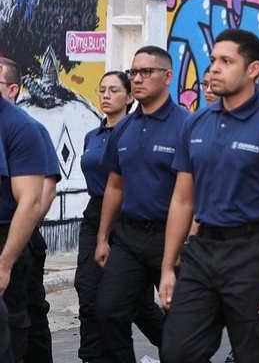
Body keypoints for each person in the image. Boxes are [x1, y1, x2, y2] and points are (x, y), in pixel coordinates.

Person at [159, 29, 259, 362]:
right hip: (202, 251)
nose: (214, 70)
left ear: (253, 70)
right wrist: (168, 268)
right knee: (177, 352)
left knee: (252, 355)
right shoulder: (196, 124)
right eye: (213, 61)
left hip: (253, 254)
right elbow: (182, 200)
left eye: (226, 61)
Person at [94, 46, 189, 361]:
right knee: (108, 312)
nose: (137, 78)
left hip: (172, 237)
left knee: (178, 327)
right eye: (133, 72)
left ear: (167, 76)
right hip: (130, 237)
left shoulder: (186, 126)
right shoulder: (123, 127)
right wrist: (103, 237)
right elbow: (115, 185)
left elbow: (194, 192)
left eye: (146, 72)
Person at [77, 71, 163, 362]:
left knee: (135, 303)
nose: (105, 95)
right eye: (102, 90)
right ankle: (92, 356)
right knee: (88, 290)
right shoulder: (92, 135)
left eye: (114, 90)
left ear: (129, 97)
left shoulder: (133, 133)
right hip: (94, 214)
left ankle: (177, 346)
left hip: (128, 215)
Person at [0, 57, 61, 363]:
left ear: (12, 89)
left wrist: (15, 242)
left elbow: (43, 193)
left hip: (18, 234)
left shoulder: (29, 129)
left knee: (26, 315)